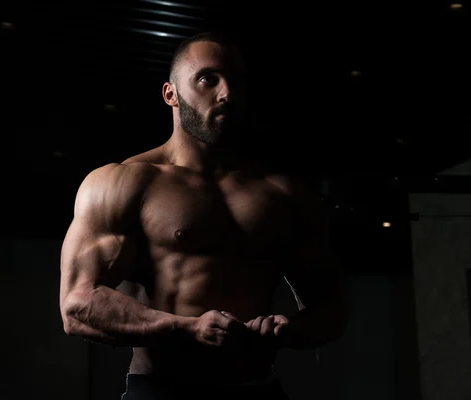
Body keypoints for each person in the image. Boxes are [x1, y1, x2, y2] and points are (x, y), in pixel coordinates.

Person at [59, 31, 349, 400]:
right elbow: (78, 306)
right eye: (208, 79)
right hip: (162, 390)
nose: (227, 93)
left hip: (256, 389)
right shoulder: (124, 182)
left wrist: (286, 330)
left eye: (237, 81)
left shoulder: (285, 195)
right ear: (171, 94)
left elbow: (332, 307)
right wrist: (185, 328)